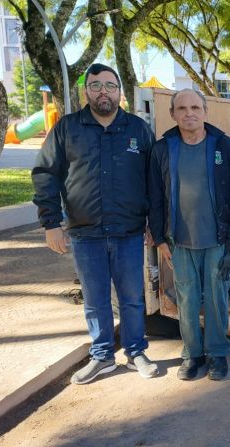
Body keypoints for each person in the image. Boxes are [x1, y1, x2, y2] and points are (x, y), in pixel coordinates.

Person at [32, 63, 158, 384]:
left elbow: (155, 180)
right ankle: (102, 356)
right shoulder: (67, 129)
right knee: (95, 298)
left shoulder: (138, 130)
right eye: (96, 85)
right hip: (84, 233)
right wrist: (51, 223)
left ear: (120, 92)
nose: (104, 91)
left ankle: (135, 351)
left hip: (128, 232)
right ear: (86, 91)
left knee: (132, 297)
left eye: (110, 86)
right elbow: (46, 174)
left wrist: (153, 223)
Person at [148, 89, 230, 381]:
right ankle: (192, 355)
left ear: (205, 111)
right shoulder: (163, 149)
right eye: (182, 108)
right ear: (173, 114)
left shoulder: (225, 147)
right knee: (186, 298)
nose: (189, 113)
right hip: (178, 241)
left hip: (217, 239)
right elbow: (154, 196)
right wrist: (160, 239)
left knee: (217, 298)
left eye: (195, 107)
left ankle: (217, 354)